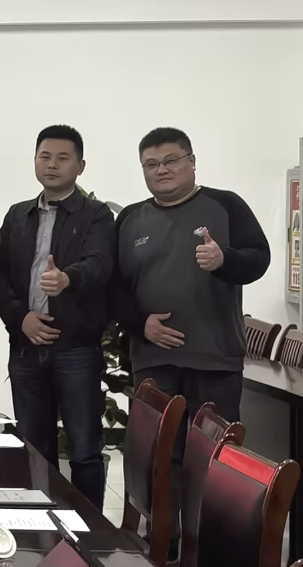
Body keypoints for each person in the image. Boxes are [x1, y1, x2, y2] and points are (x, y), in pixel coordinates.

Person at [112, 127, 270, 557]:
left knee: (214, 459)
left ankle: (211, 547)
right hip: (153, 358)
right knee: (158, 455)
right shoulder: (130, 219)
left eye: (170, 160)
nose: (161, 170)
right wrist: (140, 324)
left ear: (192, 161)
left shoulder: (226, 205)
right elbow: (114, 286)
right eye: (151, 164)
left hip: (214, 358)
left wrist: (224, 259)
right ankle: (163, 539)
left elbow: (259, 258)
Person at [0, 125, 114, 509]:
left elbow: (100, 263)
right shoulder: (18, 215)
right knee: (32, 447)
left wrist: (67, 278)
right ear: (34, 162)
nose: (52, 165)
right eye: (45, 156)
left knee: (84, 449)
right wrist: (20, 318)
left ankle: (90, 532)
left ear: (80, 166)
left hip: (75, 349)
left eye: (63, 158)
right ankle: (40, 527)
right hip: (26, 348)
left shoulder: (96, 215)